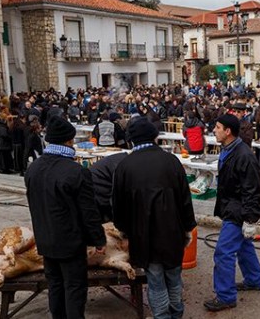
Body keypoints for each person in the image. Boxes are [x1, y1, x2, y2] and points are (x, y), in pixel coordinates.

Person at [112, 117, 197, 318]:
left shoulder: (124, 166)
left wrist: (123, 230)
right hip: (172, 232)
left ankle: (162, 316)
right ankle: (176, 313)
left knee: (156, 279)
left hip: (143, 236)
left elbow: (118, 205)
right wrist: (187, 228)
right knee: (174, 276)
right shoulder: (171, 161)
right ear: (154, 136)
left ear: (132, 139)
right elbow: (185, 199)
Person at [25, 116, 106, 319]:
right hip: (70, 242)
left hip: (45, 239)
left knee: (55, 286)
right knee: (74, 288)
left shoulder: (33, 169)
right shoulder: (76, 172)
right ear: (69, 141)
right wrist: (98, 239)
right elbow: (88, 212)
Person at [204, 114, 260, 312]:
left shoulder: (244, 155)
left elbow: (252, 189)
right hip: (232, 207)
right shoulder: (229, 149)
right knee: (243, 246)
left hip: (238, 211)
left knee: (223, 253)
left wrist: (249, 219)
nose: (214, 130)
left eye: (217, 127)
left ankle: (225, 296)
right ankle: (254, 280)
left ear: (228, 131)